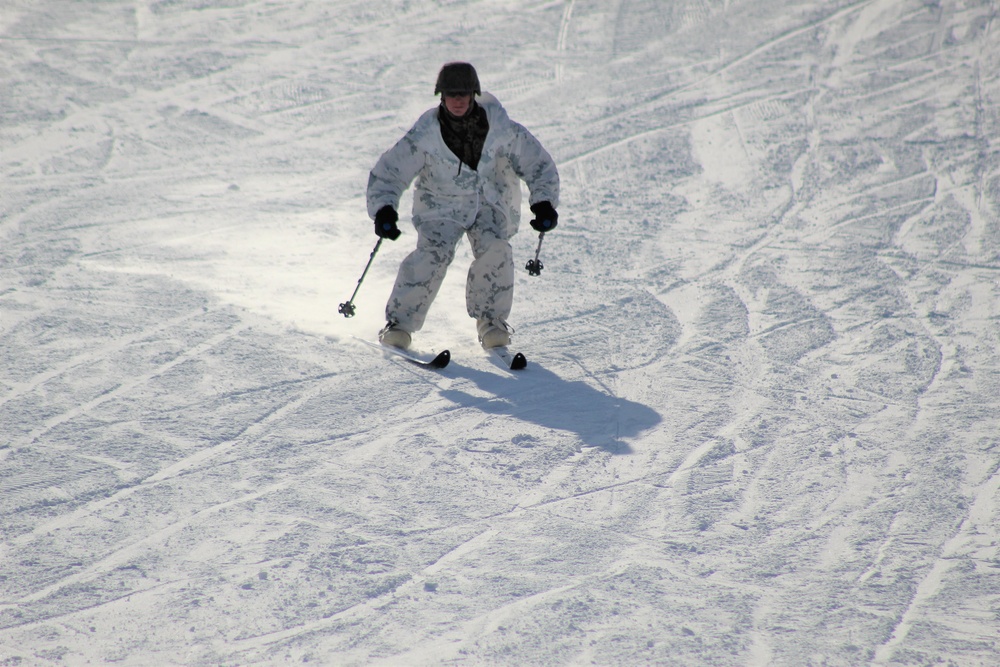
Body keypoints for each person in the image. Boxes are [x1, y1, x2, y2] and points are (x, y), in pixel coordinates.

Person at [367, 62, 560, 350]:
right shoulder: (425, 134)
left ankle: (491, 322)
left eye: (463, 94)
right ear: (441, 97)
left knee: (496, 249)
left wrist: (543, 202)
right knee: (432, 255)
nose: (457, 101)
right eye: (451, 94)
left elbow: (538, 165)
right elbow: (390, 172)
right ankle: (400, 324)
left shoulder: (503, 130)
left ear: (473, 95)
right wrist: (383, 208)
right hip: (440, 206)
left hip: (490, 203)